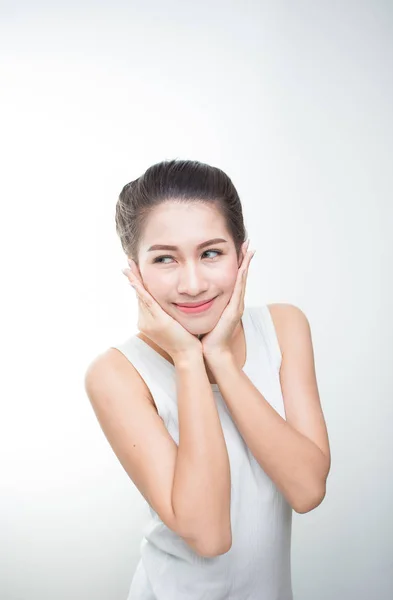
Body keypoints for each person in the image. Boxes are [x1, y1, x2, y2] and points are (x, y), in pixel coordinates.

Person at [84, 159, 331, 600]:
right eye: (165, 259)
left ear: (241, 253)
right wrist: (186, 357)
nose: (193, 283)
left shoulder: (284, 328)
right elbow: (210, 534)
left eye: (211, 253)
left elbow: (307, 489)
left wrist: (218, 356)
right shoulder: (117, 373)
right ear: (135, 271)